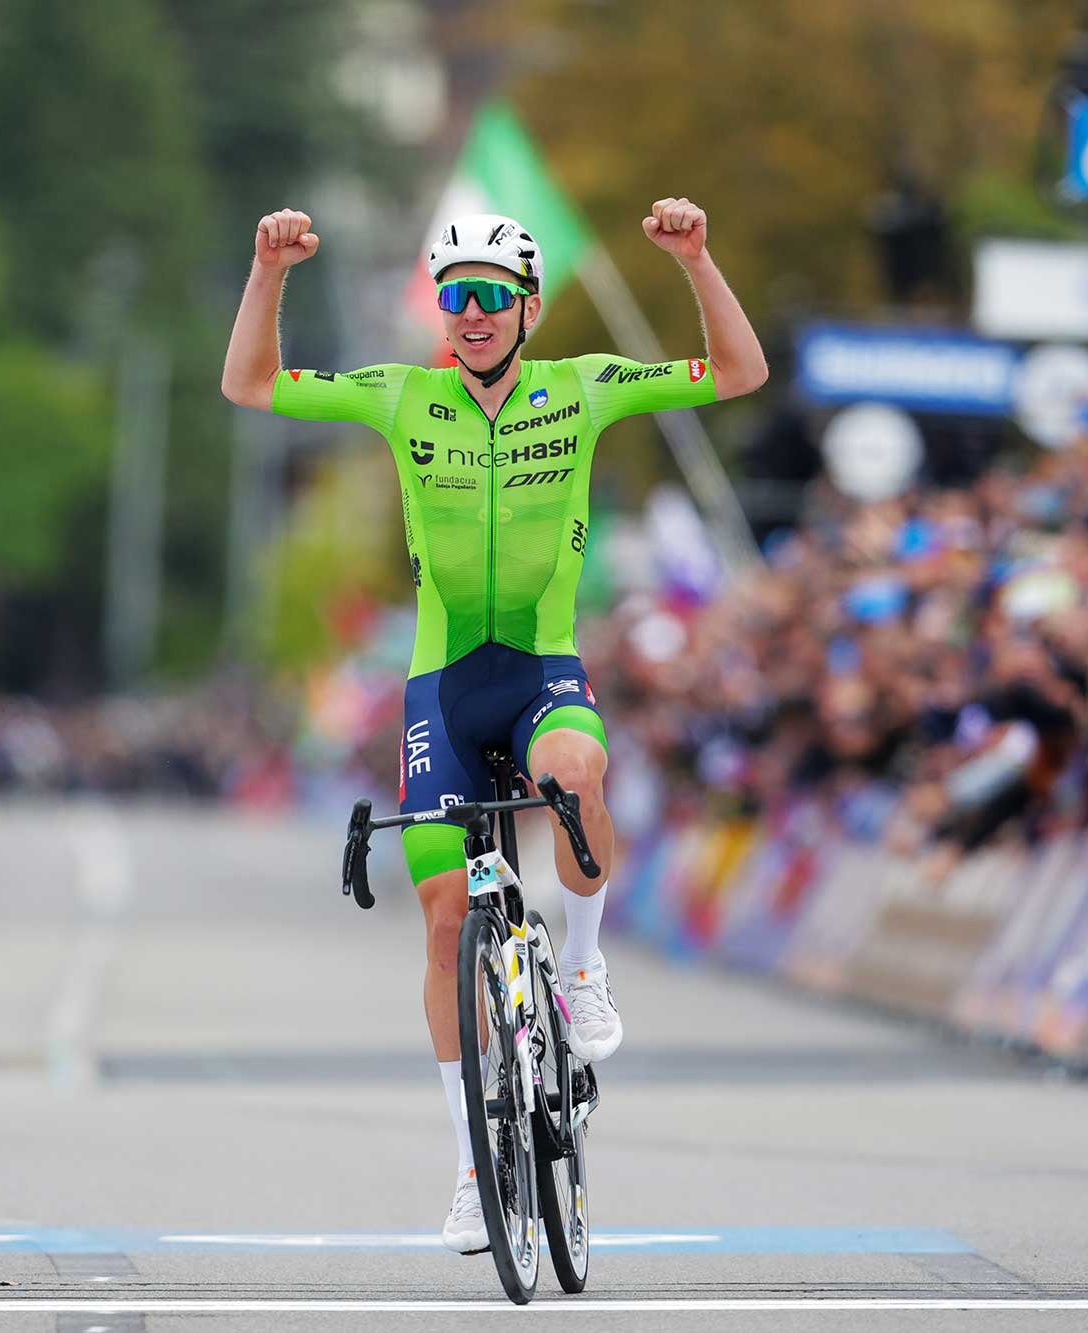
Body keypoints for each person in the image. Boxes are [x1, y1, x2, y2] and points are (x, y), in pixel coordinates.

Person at [221, 199, 767, 1251]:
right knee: (438, 919)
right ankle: (475, 1169)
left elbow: (736, 372)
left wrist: (697, 261)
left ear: (525, 306)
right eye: (452, 295)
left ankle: (584, 968)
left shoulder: (583, 386)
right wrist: (266, 274)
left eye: (489, 296)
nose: (468, 313)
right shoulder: (401, 397)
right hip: (439, 686)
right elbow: (248, 384)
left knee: (572, 769)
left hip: (540, 668)